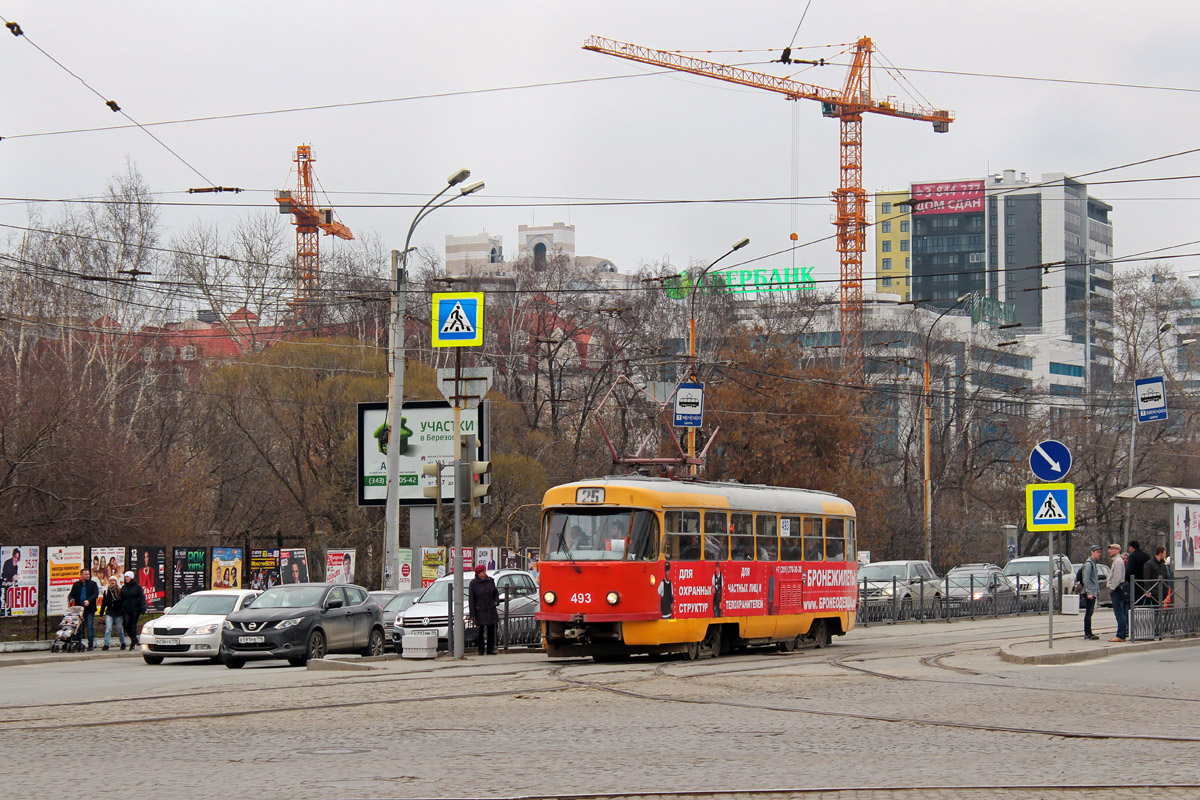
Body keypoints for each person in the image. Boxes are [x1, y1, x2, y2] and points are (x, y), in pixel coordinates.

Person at [468, 564, 499, 656]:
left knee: (491, 630)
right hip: (480, 610)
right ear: (478, 573)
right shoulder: (473, 583)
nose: (484, 573)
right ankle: (481, 650)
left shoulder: (490, 581)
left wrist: (496, 601)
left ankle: (490, 649)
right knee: (480, 631)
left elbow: (496, 593)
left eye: (485, 571)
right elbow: (471, 599)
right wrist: (472, 614)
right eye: (482, 572)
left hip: (490, 609)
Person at [67, 568, 100, 649]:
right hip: (79, 609)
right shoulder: (77, 585)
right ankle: (78, 643)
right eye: (85, 574)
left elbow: (95, 594)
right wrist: (71, 599)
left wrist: (89, 600)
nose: (87, 576)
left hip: (89, 609)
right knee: (79, 627)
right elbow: (71, 594)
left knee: (89, 626)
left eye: (88, 574)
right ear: (81, 575)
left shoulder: (93, 584)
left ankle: (90, 644)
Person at [119, 571, 147, 649]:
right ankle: (134, 638)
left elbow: (142, 597)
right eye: (125, 577)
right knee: (126, 625)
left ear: (131, 577)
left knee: (132, 625)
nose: (126, 578)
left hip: (135, 608)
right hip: (126, 609)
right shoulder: (124, 587)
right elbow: (122, 598)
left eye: (127, 577)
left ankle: (133, 643)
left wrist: (142, 607)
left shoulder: (137, 587)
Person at [1079, 545, 1101, 640]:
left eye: (1100, 552)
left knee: (1090, 612)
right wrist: (1089, 592)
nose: (1099, 554)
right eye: (1097, 552)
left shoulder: (1093, 563)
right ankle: (1087, 633)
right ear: (1092, 552)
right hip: (1089, 592)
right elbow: (1086, 579)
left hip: (1092, 591)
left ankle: (1089, 632)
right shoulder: (1088, 564)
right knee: (1088, 613)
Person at [1106, 543, 1128, 642]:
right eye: (1109, 549)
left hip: (1117, 590)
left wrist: (1112, 587)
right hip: (1117, 589)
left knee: (1119, 612)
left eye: (1112, 549)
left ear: (1117, 550)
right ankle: (1121, 634)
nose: (1110, 551)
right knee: (1120, 612)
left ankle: (1121, 635)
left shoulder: (1118, 561)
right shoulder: (1117, 561)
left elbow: (1117, 577)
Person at [99, 576, 127, 651]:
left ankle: (123, 642)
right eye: (111, 580)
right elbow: (104, 604)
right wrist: (101, 614)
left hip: (118, 613)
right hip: (109, 612)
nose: (112, 582)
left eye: (114, 580)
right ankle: (106, 644)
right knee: (108, 628)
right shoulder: (106, 592)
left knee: (119, 628)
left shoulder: (119, 591)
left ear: (116, 582)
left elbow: (123, 602)